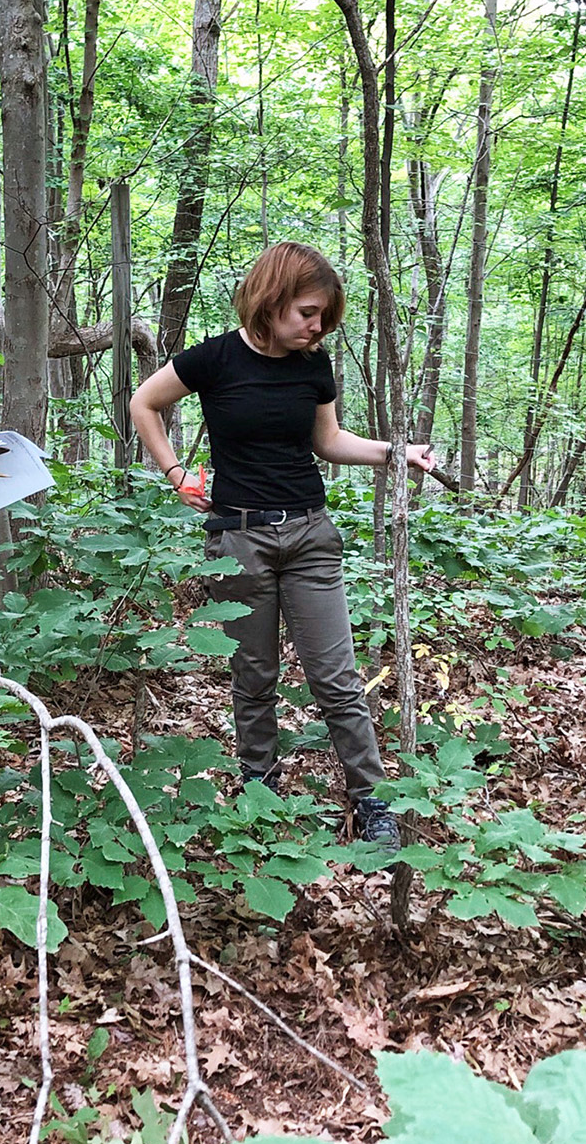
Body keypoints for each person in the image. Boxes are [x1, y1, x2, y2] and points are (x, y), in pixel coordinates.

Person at [129, 241, 434, 845]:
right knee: (254, 671)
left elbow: (329, 442)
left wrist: (397, 455)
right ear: (270, 302)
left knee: (336, 676)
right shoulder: (213, 360)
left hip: (309, 534)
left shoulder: (312, 367)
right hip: (238, 535)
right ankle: (258, 787)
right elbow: (144, 402)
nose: (317, 326)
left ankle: (371, 801)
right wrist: (173, 472)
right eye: (307, 312)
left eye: (324, 315)